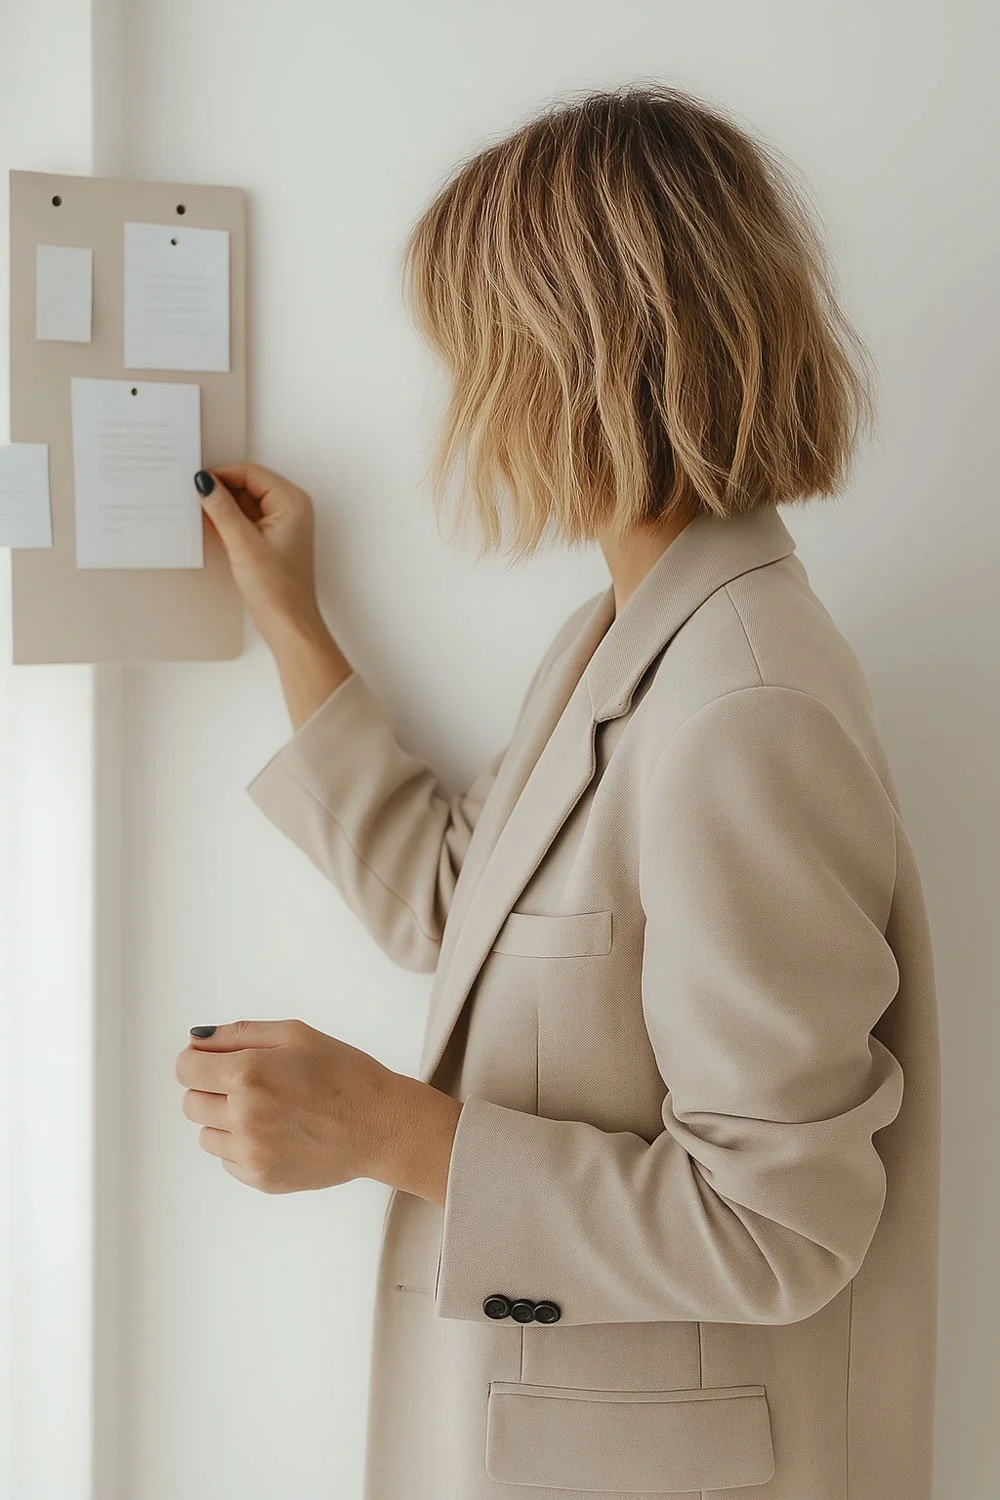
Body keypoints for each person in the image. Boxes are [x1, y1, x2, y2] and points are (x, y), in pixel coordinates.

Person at [174, 85, 940, 1500]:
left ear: (576, 360)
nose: (464, 399)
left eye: (476, 351)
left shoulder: (742, 704)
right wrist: (292, 618)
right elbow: (454, 905)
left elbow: (784, 1224)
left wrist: (385, 1130)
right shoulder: (621, 641)